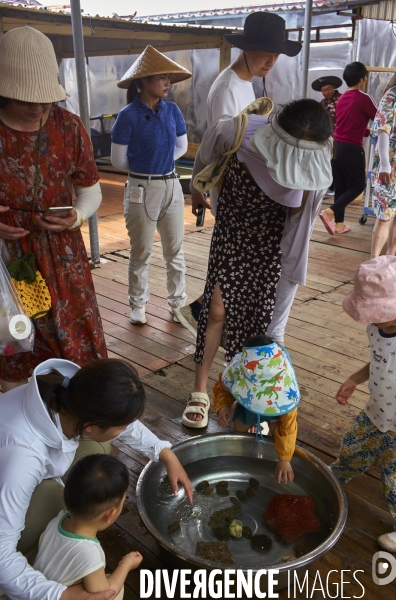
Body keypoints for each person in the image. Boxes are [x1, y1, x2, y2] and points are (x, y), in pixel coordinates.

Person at [181, 99, 333, 427]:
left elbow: (298, 231)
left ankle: (250, 395)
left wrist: (284, 304)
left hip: (272, 242)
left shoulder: (318, 169)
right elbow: (204, 162)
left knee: (261, 323)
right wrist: (196, 190)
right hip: (233, 229)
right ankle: (199, 389)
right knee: (217, 309)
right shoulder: (233, 130)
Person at [0, 357, 192, 600]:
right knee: (53, 499)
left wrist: (166, 454)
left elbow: (122, 422)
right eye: (120, 426)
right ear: (90, 425)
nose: (126, 428)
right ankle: (29, 560)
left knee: (98, 451)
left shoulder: (75, 394)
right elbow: (1, 554)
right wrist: (62, 595)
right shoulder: (24, 458)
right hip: (9, 485)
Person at [173, 11, 301, 339]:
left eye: (277, 55)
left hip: (245, 190)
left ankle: (205, 315)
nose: (272, 61)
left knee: (236, 266)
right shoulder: (228, 88)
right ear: (245, 48)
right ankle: (211, 322)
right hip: (236, 192)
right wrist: (201, 187)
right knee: (237, 266)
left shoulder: (246, 83)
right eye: (266, 53)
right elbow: (221, 147)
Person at [0, 27, 107, 392]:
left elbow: (90, 189)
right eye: (25, 98)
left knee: (76, 338)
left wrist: (76, 215)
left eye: (45, 98)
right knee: (12, 342)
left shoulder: (69, 126)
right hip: (5, 256)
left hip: (61, 253)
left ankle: (79, 419)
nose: (38, 106)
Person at [110, 46, 191, 325]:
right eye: (161, 77)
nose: (168, 82)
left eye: (169, 78)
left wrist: (161, 159)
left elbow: (181, 145)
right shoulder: (128, 115)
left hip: (172, 185)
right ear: (143, 81)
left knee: (175, 250)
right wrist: (146, 165)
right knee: (141, 251)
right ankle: (138, 304)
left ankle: (178, 303)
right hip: (141, 188)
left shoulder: (172, 110)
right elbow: (118, 160)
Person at [331, 256, 396, 552]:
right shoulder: (376, 329)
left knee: (395, 482)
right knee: (353, 446)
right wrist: (355, 379)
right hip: (376, 412)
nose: (370, 318)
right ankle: (340, 473)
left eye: (375, 312)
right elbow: (379, 362)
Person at [34, 455, 143, 599]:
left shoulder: (59, 519)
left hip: (38, 589)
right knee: (117, 590)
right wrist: (125, 565)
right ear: (110, 514)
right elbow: (106, 593)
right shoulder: (90, 555)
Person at [213, 334, 299, 484]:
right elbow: (223, 389)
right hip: (249, 406)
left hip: (276, 411)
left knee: (277, 431)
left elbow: (288, 427)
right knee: (237, 427)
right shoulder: (238, 369)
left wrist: (284, 459)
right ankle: (239, 456)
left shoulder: (286, 388)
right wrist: (223, 407)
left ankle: (271, 453)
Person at [319, 62, 377, 235]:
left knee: (342, 187)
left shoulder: (342, 98)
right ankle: (330, 212)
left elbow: (348, 123)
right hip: (352, 147)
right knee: (358, 185)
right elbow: (381, 119)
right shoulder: (364, 98)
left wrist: (365, 131)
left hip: (336, 146)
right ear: (362, 79)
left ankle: (339, 225)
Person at [370, 84, 396, 258]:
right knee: (384, 215)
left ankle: (390, 259)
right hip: (391, 164)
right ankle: (374, 262)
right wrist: (384, 163)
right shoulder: (394, 93)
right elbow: (383, 129)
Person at [312, 75, 343, 197]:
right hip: (325, 138)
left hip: (340, 137)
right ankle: (328, 186)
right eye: (323, 90)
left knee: (337, 163)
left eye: (328, 89)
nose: (326, 92)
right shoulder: (322, 104)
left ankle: (336, 187)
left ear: (334, 87)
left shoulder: (342, 100)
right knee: (326, 162)